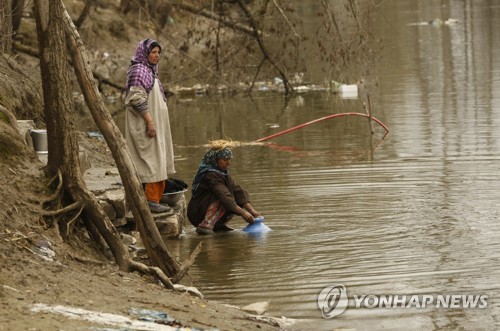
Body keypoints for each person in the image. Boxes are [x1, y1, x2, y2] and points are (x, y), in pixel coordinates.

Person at [125, 38, 187, 213]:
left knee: (158, 160)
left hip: (154, 126)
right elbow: (136, 98)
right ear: (145, 53)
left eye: (158, 52)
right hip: (145, 126)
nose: (157, 56)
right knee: (151, 162)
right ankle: (150, 201)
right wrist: (150, 121)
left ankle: (155, 198)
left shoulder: (150, 72)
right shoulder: (139, 71)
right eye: (153, 52)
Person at [187, 140, 260, 235]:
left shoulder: (223, 173)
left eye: (229, 160)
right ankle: (206, 225)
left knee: (235, 196)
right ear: (215, 160)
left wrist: (252, 211)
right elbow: (223, 195)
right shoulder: (209, 174)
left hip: (206, 208)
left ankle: (218, 225)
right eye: (225, 160)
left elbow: (237, 190)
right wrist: (243, 213)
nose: (228, 163)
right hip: (197, 212)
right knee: (225, 198)